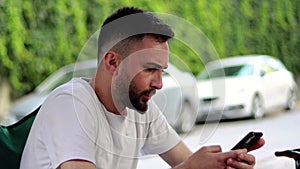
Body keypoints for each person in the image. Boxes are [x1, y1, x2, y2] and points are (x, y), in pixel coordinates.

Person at [20, 6, 264, 169]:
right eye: (149, 69)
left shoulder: (138, 107)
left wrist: (221, 163)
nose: (158, 83)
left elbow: (186, 162)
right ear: (112, 62)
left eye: (162, 71)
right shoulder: (70, 103)